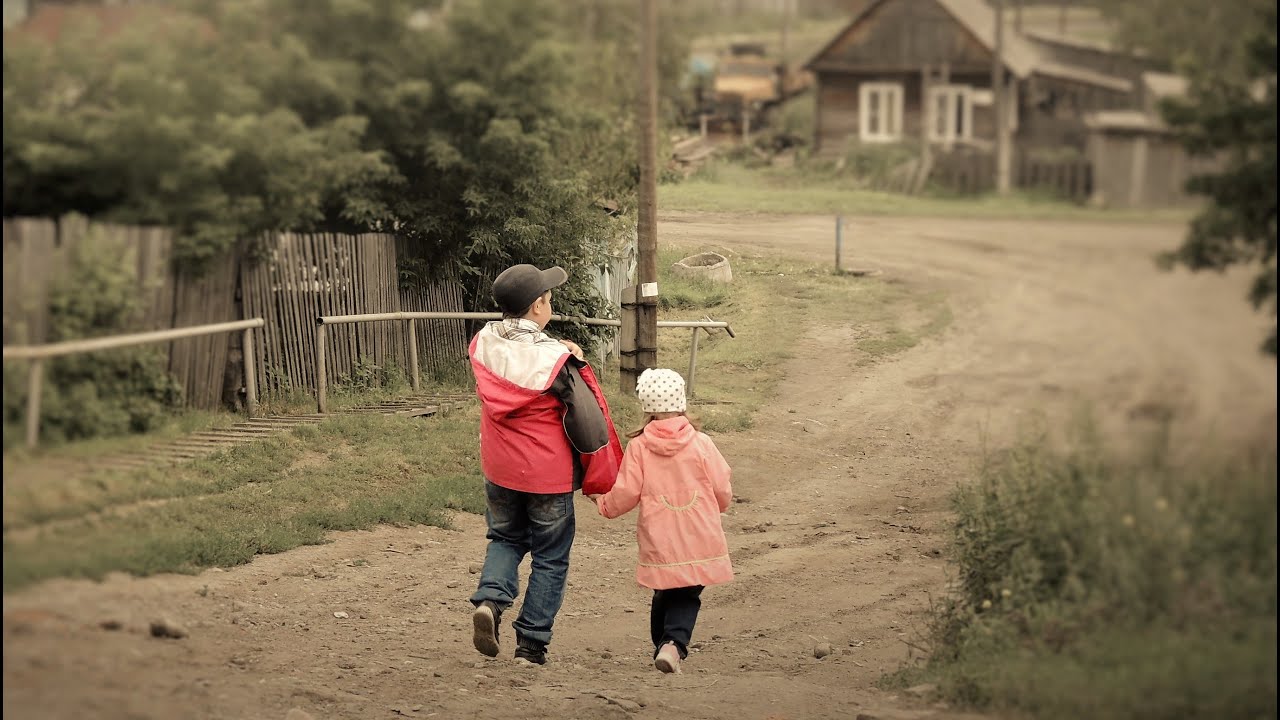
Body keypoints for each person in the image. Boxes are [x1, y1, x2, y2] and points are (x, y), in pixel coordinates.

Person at [468, 263, 623, 665]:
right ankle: (531, 645)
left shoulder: (483, 342)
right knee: (551, 556)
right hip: (547, 476)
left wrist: (560, 349)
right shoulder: (555, 360)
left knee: (505, 538)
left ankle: (490, 600)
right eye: (549, 299)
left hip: (500, 470)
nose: (550, 304)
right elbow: (587, 424)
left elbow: (520, 351)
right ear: (538, 306)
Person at [592, 368, 733, 675]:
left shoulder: (640, 447)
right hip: (699, 533)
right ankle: (673, 645)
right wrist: (720, 504)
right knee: (687, 593)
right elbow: (721, 484)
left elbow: (627, 491)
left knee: (665, 590)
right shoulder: (701, 443)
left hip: (660, 536)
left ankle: (663, 644)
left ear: (646, 408)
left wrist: (605, 504)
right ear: (681, 402)